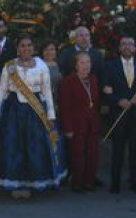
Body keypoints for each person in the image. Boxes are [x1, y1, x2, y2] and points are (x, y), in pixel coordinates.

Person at [0, 34, 66, 199]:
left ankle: (31, 183)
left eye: (29, 45)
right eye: (22, 45)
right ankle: (16, 183)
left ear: (33, 48)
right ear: (17, 48)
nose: (26, 48)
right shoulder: (9, 67)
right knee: (13, 148)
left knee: (34, 148)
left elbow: (47, 91)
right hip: (12, 111)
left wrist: (50, 115)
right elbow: (1, 91)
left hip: (36, 112)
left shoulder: (41, 65)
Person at [102, 36, 136, 193]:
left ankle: (135, 181)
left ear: (135, 48)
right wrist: (118, 101)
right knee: (118, 150)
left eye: (130, 44)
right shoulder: (110, 66)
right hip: (118, 114)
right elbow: (106, 91)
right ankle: (115, 183)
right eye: (124, 44)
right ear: (120, 48)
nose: (127, 47)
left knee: (135, 150)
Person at [60, 52, 101, 193]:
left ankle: (89, 182)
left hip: (92, 124)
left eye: (88, 62)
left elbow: (96, 103)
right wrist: (68, 128)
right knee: (77, 155)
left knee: (92, 154)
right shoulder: (69, 81)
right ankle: (77, 183)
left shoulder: (94, 79)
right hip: (76, 124)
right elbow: (64, 107)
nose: (86, 66)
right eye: (82, 63)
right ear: (76, 65)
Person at [40, 39, 63, 107]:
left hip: (57, 102)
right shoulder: (37, 65)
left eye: (52, 49)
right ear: (42, 52)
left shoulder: (60, 65)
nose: (49, 52)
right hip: (41, 102)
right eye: (46, 50)